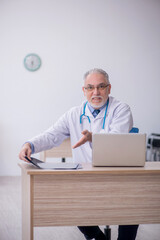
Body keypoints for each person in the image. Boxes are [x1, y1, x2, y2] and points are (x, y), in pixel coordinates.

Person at [19, 68, 138, 240]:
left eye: (101, 86)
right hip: (85, 178)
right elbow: (52, 135)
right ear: (84, 90)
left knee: (132, 204)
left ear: (109, 88)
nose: (95, 92)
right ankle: (99, 238)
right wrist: (29, 144)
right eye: (90, 87)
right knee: (71, 203)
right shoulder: (74, 114)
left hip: (117, 176)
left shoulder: (121, 109)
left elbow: (117, 137)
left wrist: (93, 138)